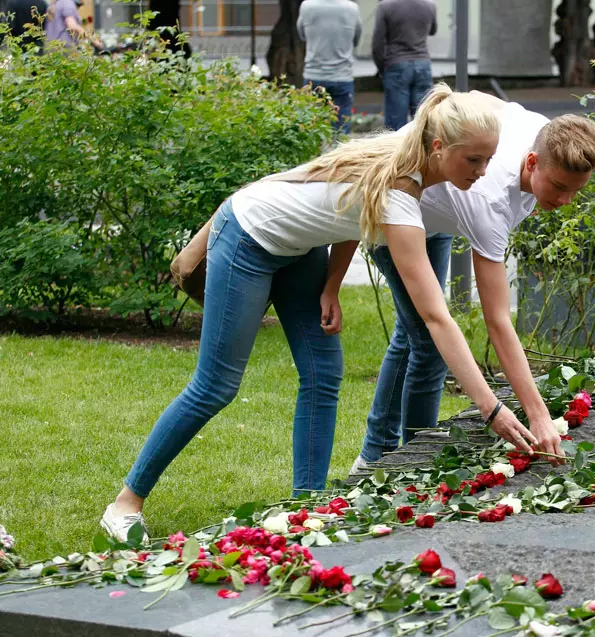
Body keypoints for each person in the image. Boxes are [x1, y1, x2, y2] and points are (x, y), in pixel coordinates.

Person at [100, 85, 542, 542]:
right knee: (217, 386)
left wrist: (332, 282)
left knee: (323, 373)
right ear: (437, 147)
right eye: (473, 160)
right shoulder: (402, 193)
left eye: (489, 159)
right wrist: (491, 410)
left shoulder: (405, 169)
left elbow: (353, 212)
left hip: (300, 248)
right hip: (249, 238)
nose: (484, 172)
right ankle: (124, 504)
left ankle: (304, 508)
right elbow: (436, 318)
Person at [353, 92, 595, 471]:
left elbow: (472, 96)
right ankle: (407, 461)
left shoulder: (544, 131)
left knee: (413, 334)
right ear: (532, 162)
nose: (566, 200)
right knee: (427, 342)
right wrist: (538, 415)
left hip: (437, 214)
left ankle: (377, 457)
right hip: (394, 210)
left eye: (574, 190)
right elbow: (498, 320)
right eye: (558, 187)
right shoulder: (489, 201)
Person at [298, 0, 361, 133]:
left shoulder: (306, 6)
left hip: (313, 75)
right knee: (341, 128)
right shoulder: (352, 8)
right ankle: (340, 153)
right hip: (342, 76)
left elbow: (302, 34)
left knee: (311, 126)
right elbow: (356, 39)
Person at [372, 0, 436, 131]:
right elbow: (433, 30)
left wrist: (382, 67)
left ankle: (396, 150)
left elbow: (377, 43)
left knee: (396, 122)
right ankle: (423, 151)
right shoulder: (430, 5)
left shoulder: (385, 6)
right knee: (423, 120)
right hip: (422, 64)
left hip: (396, 63)